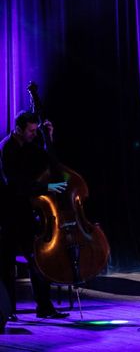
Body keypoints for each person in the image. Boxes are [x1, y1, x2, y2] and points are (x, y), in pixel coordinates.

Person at [0, 110, 69, 320]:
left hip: (25, 212)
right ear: (18, 129)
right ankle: (7, 312)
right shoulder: (7, 148)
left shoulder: (29, 146)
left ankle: (44, 308)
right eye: (31, 131)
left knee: (37, 260)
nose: (34, 134)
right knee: (6, 264)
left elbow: (47, 161)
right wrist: (47, 187)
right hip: (7, 214)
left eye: (35, 130)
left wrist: (49, 138)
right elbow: (15, 184)